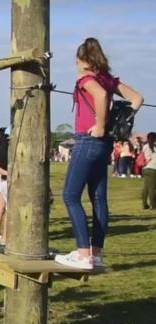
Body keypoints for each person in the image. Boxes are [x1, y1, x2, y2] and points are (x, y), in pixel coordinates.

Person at [56, 38, 144, 270]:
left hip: (88, 140)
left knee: (70, 195)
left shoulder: (87, 79)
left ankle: (83, 253)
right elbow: (137, 99)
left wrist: (101, 124)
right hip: (104, 144)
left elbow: (102, 97)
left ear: (82, 59)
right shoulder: (108, 79)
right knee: (98, 198)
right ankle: (96, 253)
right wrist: (120, 120)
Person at [142, 132, 156, 209]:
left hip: (146, 168)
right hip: (153, 169)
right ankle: (153, 205)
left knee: (146, 187)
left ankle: (144, 204)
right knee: (152, 188)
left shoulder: (145, 147)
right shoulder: (153, 147)